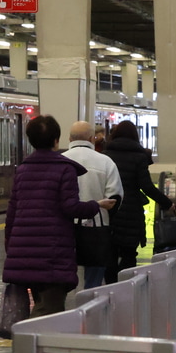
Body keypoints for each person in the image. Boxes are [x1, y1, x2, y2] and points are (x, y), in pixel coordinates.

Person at [2, 115, 116, 319]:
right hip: (52, 250)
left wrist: (11, 246)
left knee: (41, 301)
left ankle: (30, 336)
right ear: (56, 140)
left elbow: (12, 212)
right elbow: (71, 207)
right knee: (49, 311)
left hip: (23, 249)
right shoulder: (64, 169)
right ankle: (30, 338)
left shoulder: (23, 169)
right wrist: (96, 205)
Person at [104, 120, 174, 283]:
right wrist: (167, 203)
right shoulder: (139, 157)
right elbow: (147, 187)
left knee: (110, 254)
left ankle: (110, 288)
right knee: (129, 254)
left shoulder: (106, 155)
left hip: (110, 209)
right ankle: (126, 287)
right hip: (131, 212)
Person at [63, 121, 124, 290]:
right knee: (94, 278)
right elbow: (115, 197)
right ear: (92, 138)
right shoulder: (106, 162)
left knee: (64, 273)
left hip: (64, 229)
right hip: (97, 229)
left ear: (70, 139)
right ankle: (89, 300)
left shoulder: (61, 161)